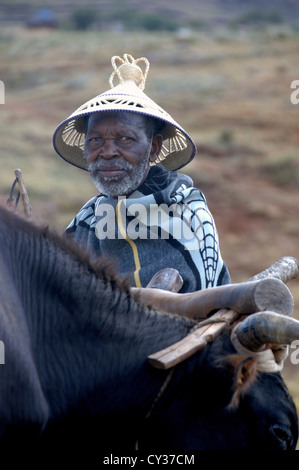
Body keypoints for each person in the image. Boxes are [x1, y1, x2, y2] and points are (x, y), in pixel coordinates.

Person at [53, 54, 230, 293]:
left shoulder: (188, 214)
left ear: (153, 148)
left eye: (124, 139)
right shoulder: (89, 219)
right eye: (95, 140)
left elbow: (204, 311)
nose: (107, 153)